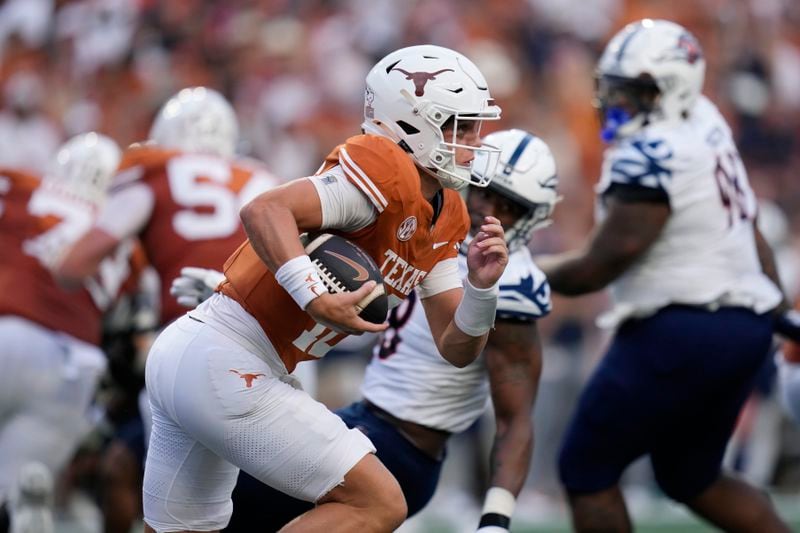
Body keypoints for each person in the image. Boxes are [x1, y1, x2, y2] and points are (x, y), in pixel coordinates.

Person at [136, 44, 508, 533]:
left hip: (204, 356)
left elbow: (456, 348)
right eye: (459, 127)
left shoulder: (448, 215)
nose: (472, 142)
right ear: (412, 122)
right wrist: (312, 294)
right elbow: (264, 210)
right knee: (376, 503)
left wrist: (482, 291)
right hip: (229, 358)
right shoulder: (383, 166)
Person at [171, 128, 561, 531]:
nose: (487, 209)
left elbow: (515, 419)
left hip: (404, 447)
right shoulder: (432, 232)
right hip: (365, 418)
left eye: (508, 205)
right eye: (486, 192)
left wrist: (495, 519)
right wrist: (240, 294)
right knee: (228, 501)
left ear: (534, 216)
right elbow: (345, 283)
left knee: (237, 505)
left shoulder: (509, 283)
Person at [537, 19, 792, 533]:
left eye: (634, 93)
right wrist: (778, 311)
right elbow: (748, 228)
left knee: (587, 468)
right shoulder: (706, 120)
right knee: (689, 475)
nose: (619, 104)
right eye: (616, 90)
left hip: (680, 328)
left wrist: (516, 272)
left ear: (671, 90)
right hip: (744, 325)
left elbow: (599, 266)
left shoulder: (653, 154)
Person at [52, 86, 282, 533]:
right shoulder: (259, 176)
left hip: (190, 349)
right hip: (273, 350)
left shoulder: (154, 171)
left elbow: (74, 264)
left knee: (157, 492)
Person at [0, 132, 124, 533]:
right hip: (77, 368)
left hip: (10, 330)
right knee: (14, 494)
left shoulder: (22, 187)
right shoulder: (126, 234)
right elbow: (130, 329)